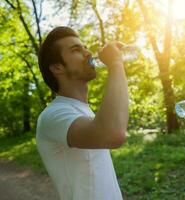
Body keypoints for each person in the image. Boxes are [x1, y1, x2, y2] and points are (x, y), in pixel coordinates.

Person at [36, 26, 128, 200]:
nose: (88, 53)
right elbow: (113, 134)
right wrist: (116, 64)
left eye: (84, 47)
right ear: (57, 68)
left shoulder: (83, 111)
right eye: (76, 50)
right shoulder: (53, 115)